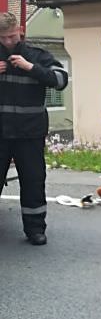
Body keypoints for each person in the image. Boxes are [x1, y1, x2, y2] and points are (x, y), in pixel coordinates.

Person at [0, 12, 69, 245]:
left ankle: (35, 229)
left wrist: (32, 68)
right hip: (1, 133)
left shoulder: (36, 55)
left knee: (33, 181)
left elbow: (61, 80)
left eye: (11, 36)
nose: (8, 42)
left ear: (19, 30)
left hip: (30, 133)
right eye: (3, 38)